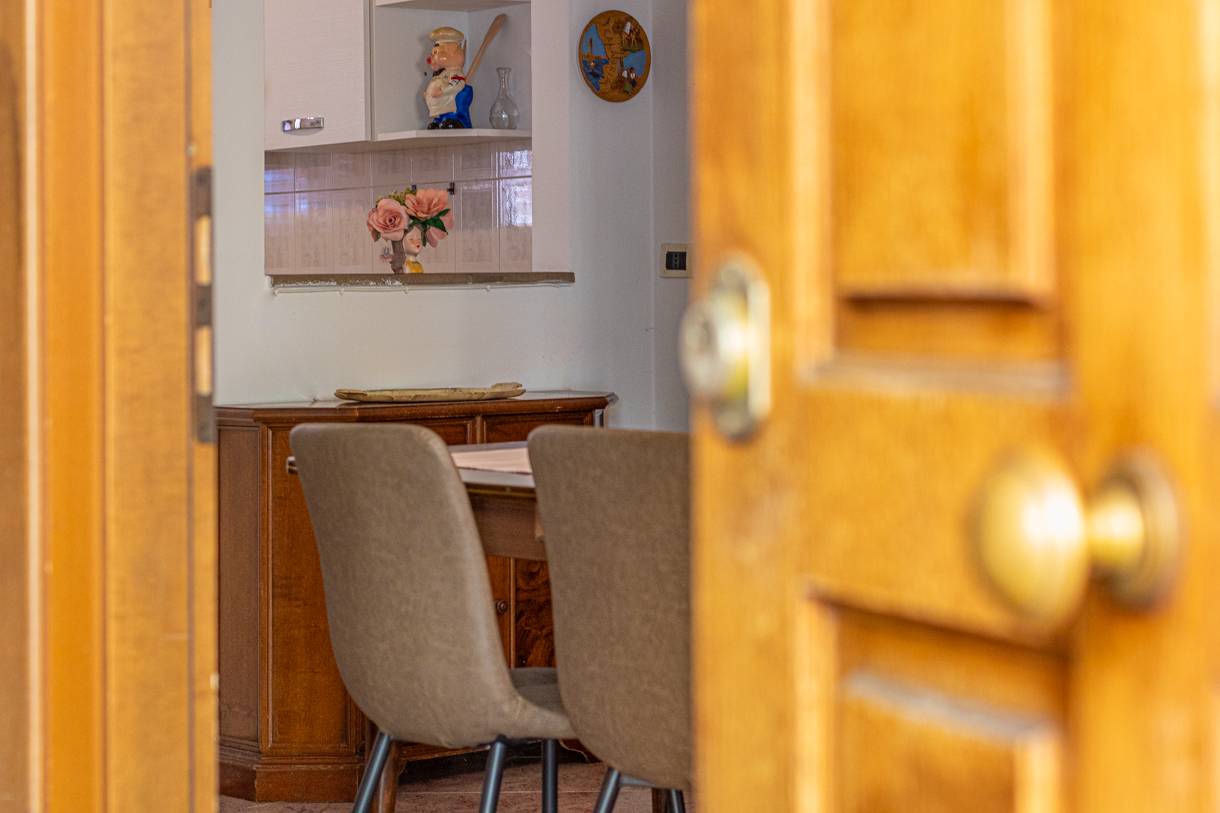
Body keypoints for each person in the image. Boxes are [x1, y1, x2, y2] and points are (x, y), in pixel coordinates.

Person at [424, 26, 473, 129]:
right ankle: (440, 120)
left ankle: (454, 120)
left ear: (452, 51)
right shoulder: (442, 73)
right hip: (440, 109)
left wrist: (442, 91)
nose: (431, 58)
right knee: (441, 116)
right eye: (432, 53)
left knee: (452, 110)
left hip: (450, 106)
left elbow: (457, 84)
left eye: (436, 53)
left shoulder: (455, 73)